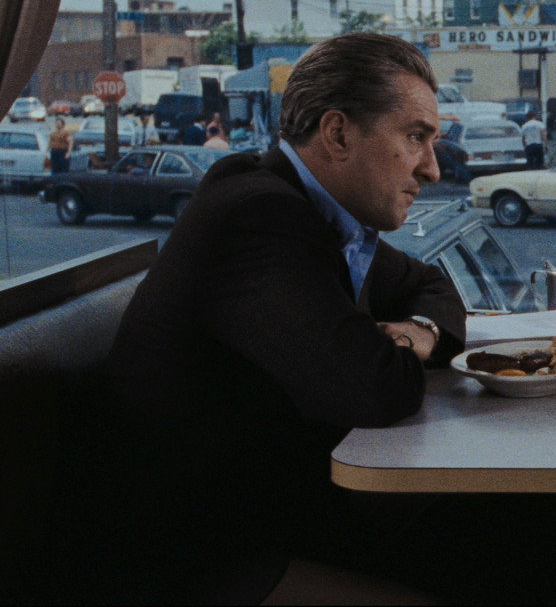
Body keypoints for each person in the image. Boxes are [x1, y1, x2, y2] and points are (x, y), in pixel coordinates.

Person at [68, 32, 467, 603]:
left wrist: (418, 332)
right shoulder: (259, 216)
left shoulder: (312, 209)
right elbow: (375, 388)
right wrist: (399, 351)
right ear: (338, 134)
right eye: (415, 137)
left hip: (269, 509)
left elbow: (431, 287)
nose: (431, 168)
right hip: (191, 559)